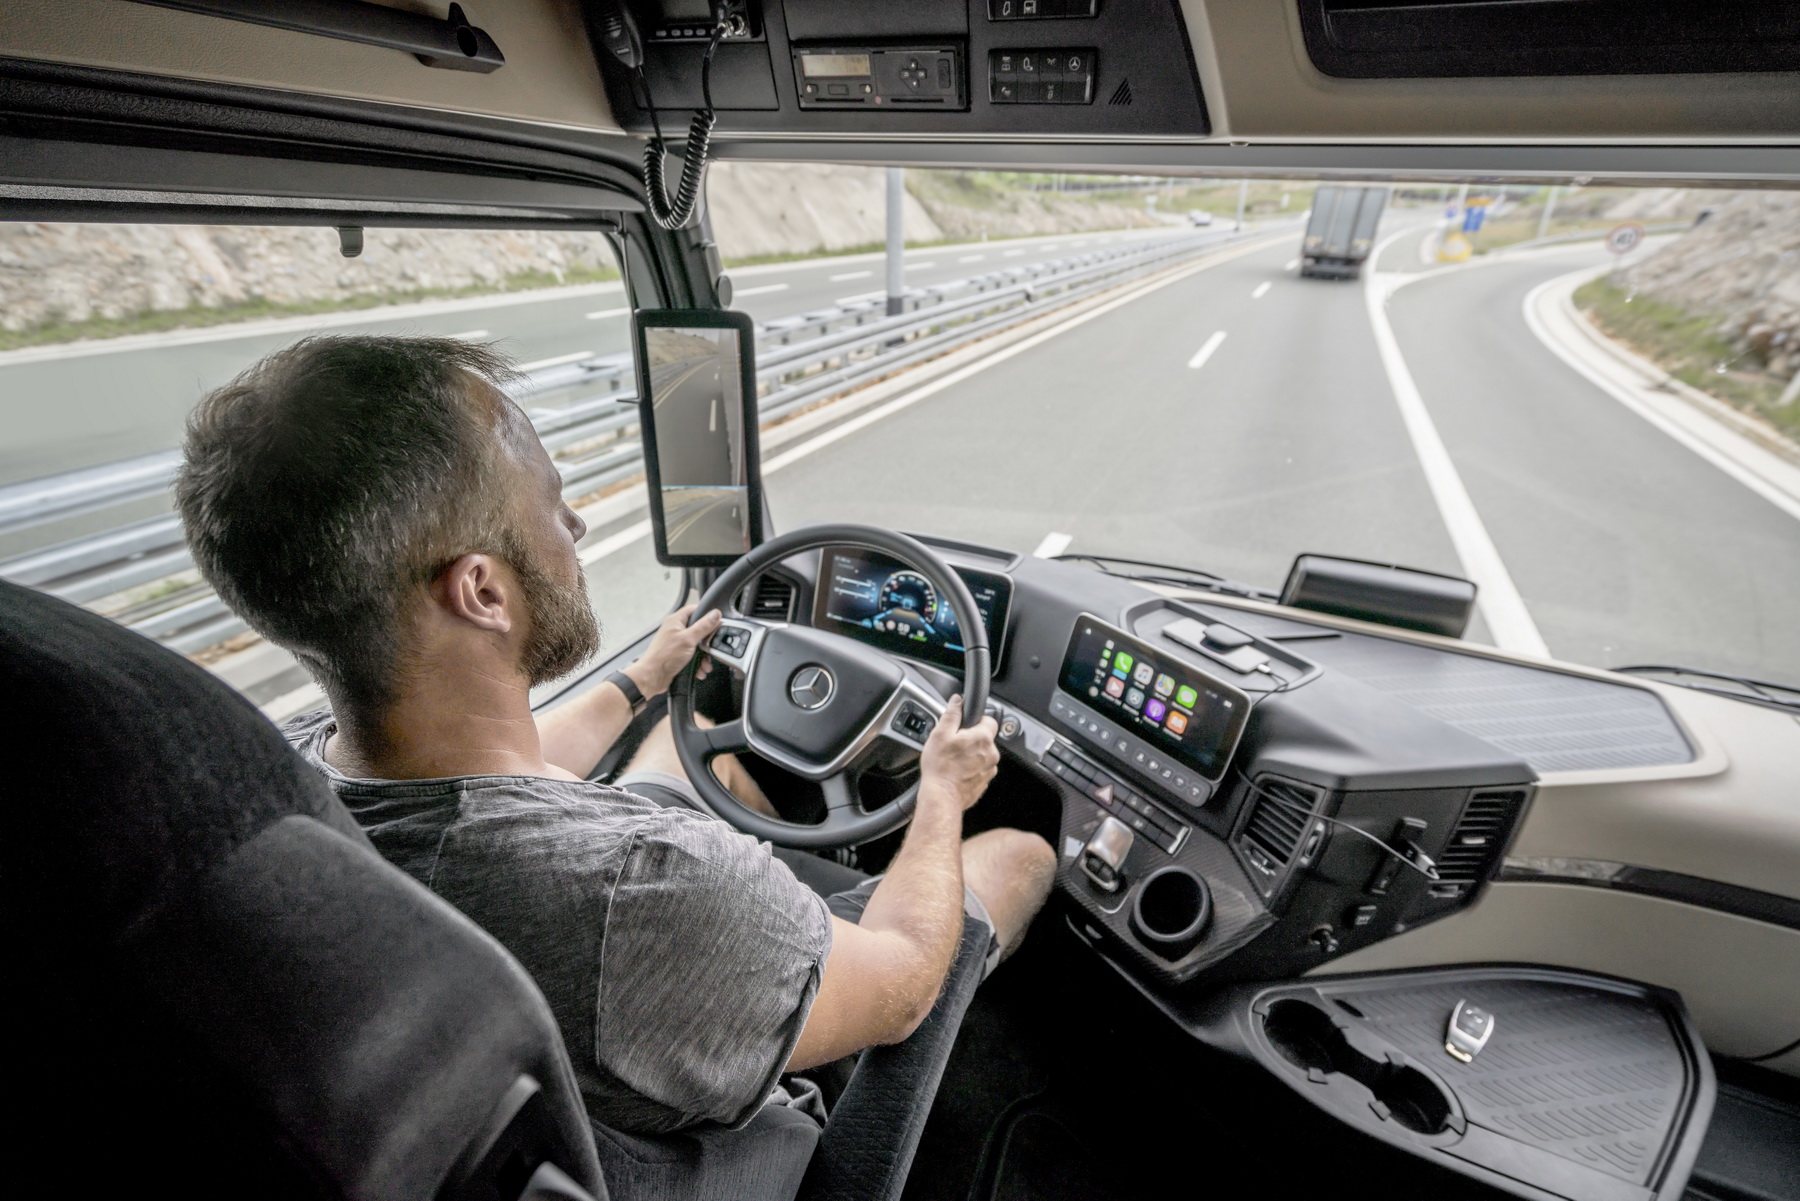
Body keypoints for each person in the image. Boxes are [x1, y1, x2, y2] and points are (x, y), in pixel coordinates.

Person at [175, 335, 1057, 1135]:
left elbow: (497, 780)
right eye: (554, 505)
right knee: (1017, 853)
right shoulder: (647, 891)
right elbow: (902, 982)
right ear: (481, 591)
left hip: (576, 1037)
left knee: (690, 740)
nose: (577, 527)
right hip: (745, 1148)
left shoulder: (276, 778)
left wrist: (639, 680)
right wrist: (941, 790)